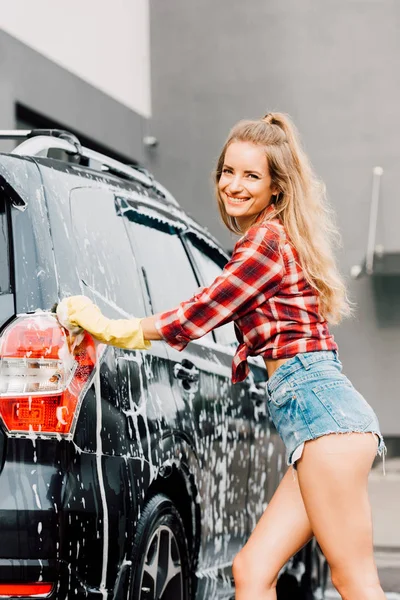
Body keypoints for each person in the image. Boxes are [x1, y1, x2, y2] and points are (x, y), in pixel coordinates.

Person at [58, 112, 386, 600]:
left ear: (276, 188)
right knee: (252, 570)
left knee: (354, 580)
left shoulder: (264, 242)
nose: (234, 185)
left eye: (251, 175)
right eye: (227, 171)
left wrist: (108, 328)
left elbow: (198, 313)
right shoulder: (272, 241)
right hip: (318, 422)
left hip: (325, 422)